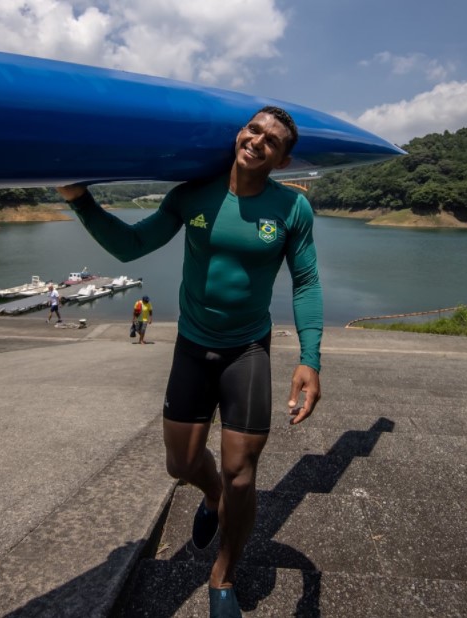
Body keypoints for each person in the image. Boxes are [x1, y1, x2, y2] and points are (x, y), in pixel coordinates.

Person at [57, 106, 322, 617]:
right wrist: (80, 200)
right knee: (180, 464)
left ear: (283, 161)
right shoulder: (193, 194)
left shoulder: (291, 209)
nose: (257, 141)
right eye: (253, 130)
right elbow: (132, 246)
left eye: (271, 141)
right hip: (193, 344)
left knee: (243, 474)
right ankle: (211, 494)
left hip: (247, 349)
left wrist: (310, 357)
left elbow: (307, 282)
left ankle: (223, 576)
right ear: (240, 134)